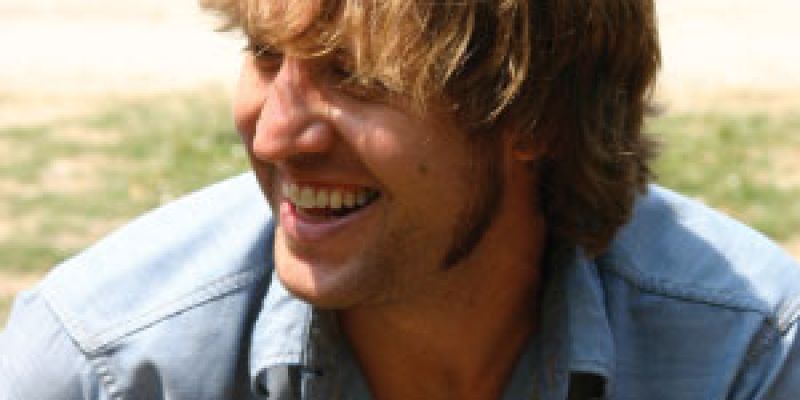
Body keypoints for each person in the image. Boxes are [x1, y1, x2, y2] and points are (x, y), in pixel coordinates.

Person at [2, 1, 800, 399]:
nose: (275, 136)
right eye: (266, 56)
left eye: (356, 76)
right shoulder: (104, 368)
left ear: (536, 115)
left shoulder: (747, 359)